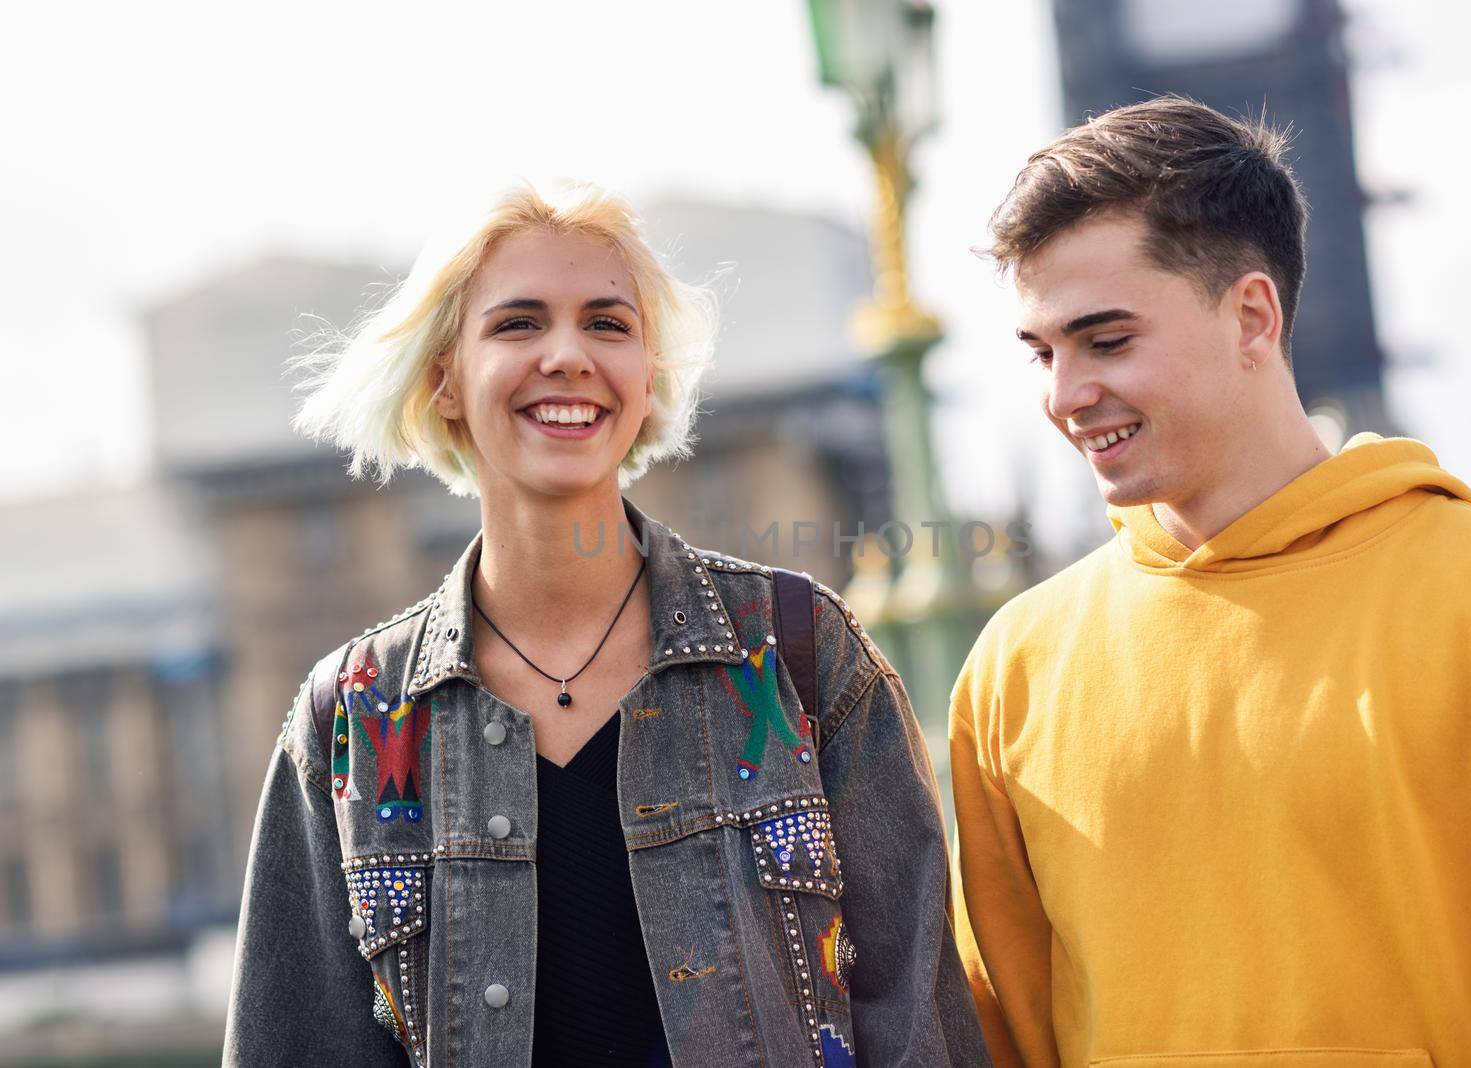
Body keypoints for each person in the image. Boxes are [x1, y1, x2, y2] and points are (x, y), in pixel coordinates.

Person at [222, 182, 988, 1067]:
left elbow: (920, 1024)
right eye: (517, 324)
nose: (568, 356)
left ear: (648, 376)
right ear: (443, 382)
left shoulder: (799, 655)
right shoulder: (351, 721)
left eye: (608, 324)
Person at [948, 95, 1471, 1068]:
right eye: (1042, 352)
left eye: (1106, 339)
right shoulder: (1015, 668)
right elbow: (1003, 1030)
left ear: (1252, 314)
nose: (1064, 395)